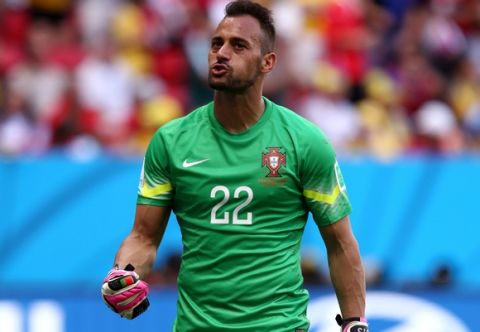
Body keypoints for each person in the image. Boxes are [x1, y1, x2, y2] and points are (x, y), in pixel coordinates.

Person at [101, 1, 368, 331]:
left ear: (267, 62)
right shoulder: (171, 141)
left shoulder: (304, 142)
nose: (221, 53)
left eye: (238, 45)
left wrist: (355, 321)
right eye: (217, 43)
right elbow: (143, 237)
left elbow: (340, 243)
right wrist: (124, 272)